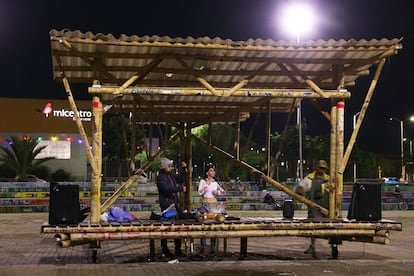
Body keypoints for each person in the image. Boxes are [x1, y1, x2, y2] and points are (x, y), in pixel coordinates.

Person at [296, 159, 330, 256]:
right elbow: (300, 188)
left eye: (324, 169)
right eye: (320, 168)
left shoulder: (328, 179)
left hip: (326, 206)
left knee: (330, 227)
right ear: (316, 168)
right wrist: (300, 191)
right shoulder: (309, 179)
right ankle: (312, 246)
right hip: (313, 207)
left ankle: (333, 247)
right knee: (313, 227)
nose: (322, 170)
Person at [156, 157, 186, 258]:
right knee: (166, 228)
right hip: (166, 205)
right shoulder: (161, 177)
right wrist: (179, 189)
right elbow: (166, 189)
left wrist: (184, 170)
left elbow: (181, 178)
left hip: (174, 204)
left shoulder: (171, 175)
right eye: (169, 166)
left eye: (171, 166)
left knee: (177, 227)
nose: (170, 168)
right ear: (164, 167)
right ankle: (165, 249)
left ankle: (178, 249)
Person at [197, 166, 226, 254]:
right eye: (211, 170)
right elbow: (200, 192)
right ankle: (203, 246)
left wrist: (218, 192)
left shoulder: (216, 183)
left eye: (214, 171)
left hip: (214, 204)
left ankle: (213, 247)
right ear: (207, 173)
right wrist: (207, 185)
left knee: (214, 225)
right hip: (205, 204)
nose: (213, 172)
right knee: (204, 224)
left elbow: (223, 192)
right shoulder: (203, 182)